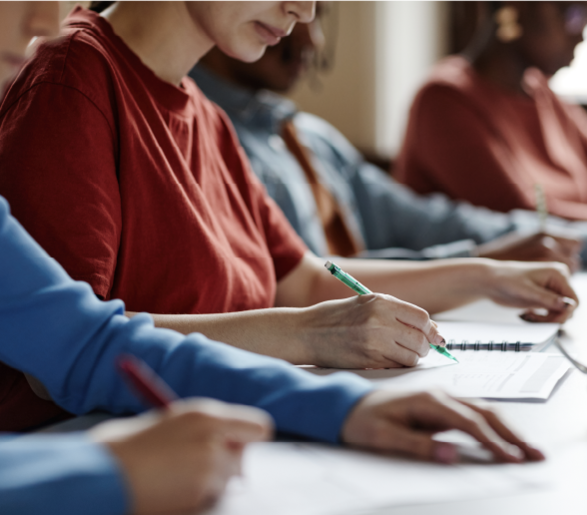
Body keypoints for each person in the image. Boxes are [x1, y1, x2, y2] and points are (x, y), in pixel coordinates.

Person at [0, 2, 542, 512]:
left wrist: (481, 276)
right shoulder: (70, 77)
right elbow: (63, 359)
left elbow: (301, 279)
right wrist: (311, 338)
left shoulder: (207, 118)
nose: (305, 11)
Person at [190, 6, 587, 278]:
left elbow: (429, 221)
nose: (313, 38)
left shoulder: (310, 137)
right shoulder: (205, 136)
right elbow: (301, 282)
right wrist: (480, 263)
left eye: (318, 12)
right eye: (569, 11)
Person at [393, 0, 587, 235]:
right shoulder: (444, 100)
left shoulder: (544, 96)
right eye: (573, 14)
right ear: (517, 6)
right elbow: (527, 219)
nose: (581, 34)